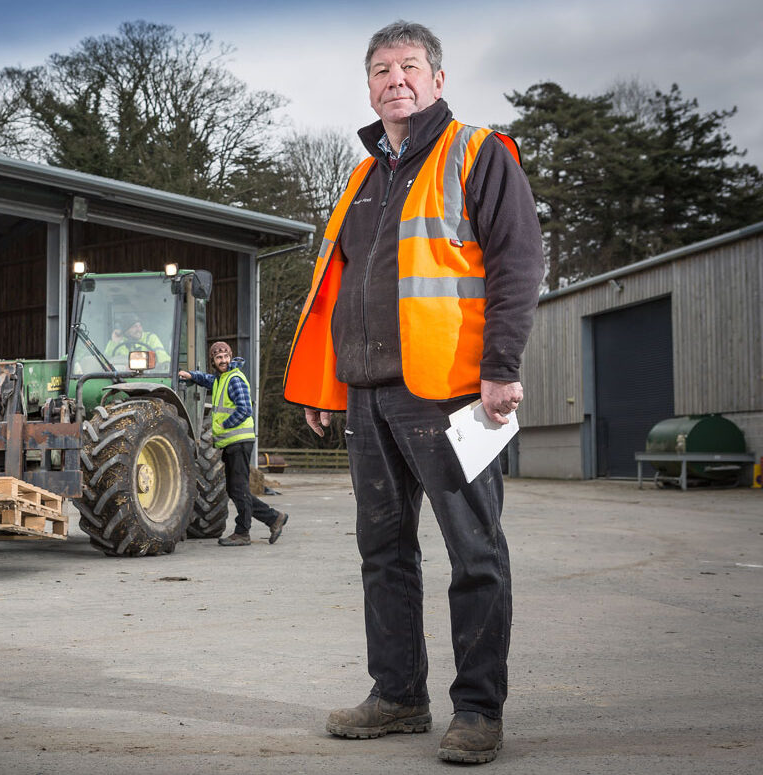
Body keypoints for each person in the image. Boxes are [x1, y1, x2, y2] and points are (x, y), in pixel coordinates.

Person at [283, 21, 544, 765]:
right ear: (369, 85)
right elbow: (341, 290)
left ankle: (478, 711)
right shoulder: (364, 178)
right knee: (384, 552)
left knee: (475, 551)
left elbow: (517, 262)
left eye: (409, 66)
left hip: (453, 392)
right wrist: (330, 383)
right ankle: (398, 695)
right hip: (370, 394)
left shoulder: (477, 152)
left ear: (436, 79)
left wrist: (501, 365)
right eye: (380, 69)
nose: (394, 78)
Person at [180, 341, 288, 546]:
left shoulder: (235, 379)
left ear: (230, 357)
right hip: (231, 442)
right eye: (218, 358)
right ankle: (273, 518)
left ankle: (243, 532)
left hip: (238, 441)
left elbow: (244, 409)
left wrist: (224, 425)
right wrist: (191, 376)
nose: (223, 360)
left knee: (239, 489)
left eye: (226, 357)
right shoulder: (222, 379)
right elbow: (208, 380)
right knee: (234, 489)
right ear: (213, 360)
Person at [104, 312, 169, 368]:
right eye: (134, 326)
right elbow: (106, 361)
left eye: (139, 325)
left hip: (149, 376)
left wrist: (162, 365)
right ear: (126, 331)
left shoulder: (150, 338)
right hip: (125, 377)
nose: (138, 329)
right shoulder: (120, 341)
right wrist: (115, 342)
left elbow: (162, 358)